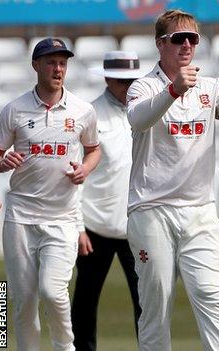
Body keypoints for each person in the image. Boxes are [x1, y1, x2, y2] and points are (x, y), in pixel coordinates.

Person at [125, 9, 219, 351]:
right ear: (160, 44)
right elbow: (139, 120)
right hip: (151, 209)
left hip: (200, 211)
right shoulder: (144, 86)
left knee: (212, 299)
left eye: (193, 39)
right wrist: (172, 90)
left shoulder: (210, 87)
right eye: (178, 38)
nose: (187, 45)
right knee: (156, 304)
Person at [0, 38, 100, 351]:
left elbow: (94, 150)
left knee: (53, 292)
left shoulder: (83, 110)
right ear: (36, 65)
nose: (58, 69)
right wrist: (3, 163)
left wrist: (85, 168)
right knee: (23, 300)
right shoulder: (14, 110)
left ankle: (65, 347)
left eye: (62, 63)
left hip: (62, 218)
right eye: (51, 62)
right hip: (21, 217)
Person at [70, 51, 146, 351]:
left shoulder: (146, 111)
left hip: (136, 225)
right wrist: (77, 226)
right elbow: (74, 175)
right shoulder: (90, 114)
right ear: (107, 79)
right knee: (85, 302)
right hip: (95, 225)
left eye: (132, 81)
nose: (127, 87)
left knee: (146, 302)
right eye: (120, 81)